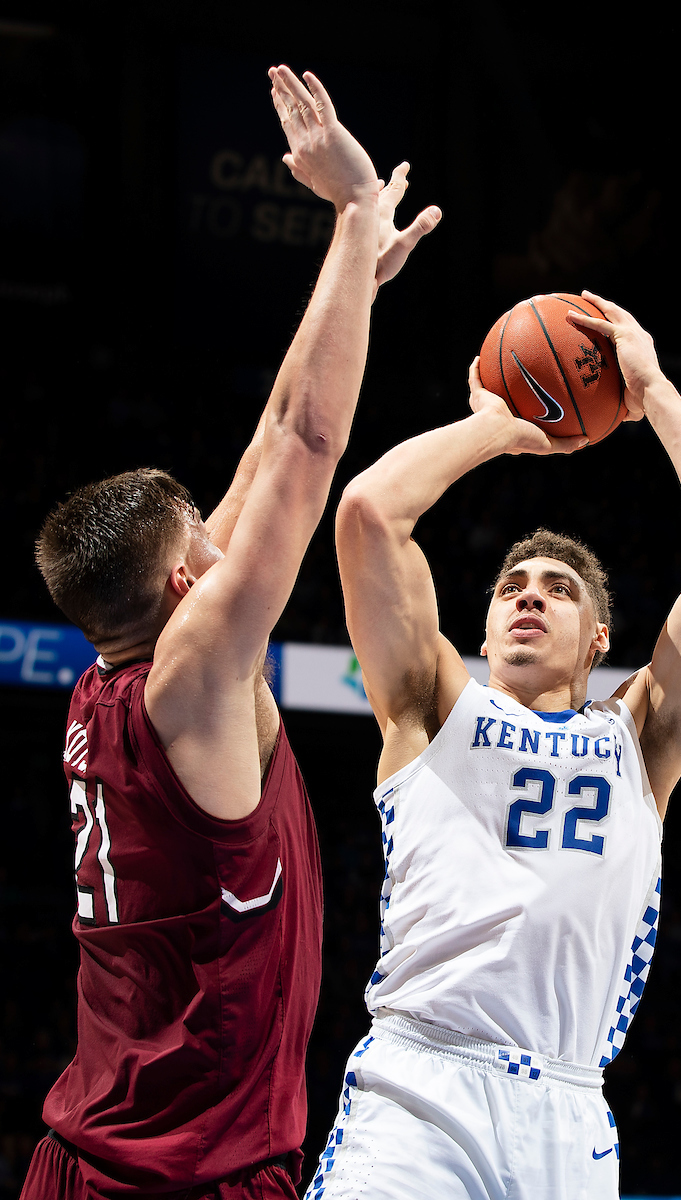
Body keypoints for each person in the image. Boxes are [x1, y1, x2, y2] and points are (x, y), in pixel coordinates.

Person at [21, 66, 440, 1200]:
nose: (226, 523)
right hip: (183, 1177)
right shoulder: (196, 678)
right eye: (205, 528)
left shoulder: (109, 686)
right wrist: (353, 213)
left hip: (82, 1154)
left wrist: (350, 271)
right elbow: (305, 449)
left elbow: (267, 439)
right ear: (178, 579)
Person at [307, 293, 681, 1200]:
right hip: (420, 1088)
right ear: (482, 630)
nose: (529, 595)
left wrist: (652, 388)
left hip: (565, 1112)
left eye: (558, 589)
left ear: (599, 639)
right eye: (511, 586)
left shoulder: (642, 738)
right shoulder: (431, 709)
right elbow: (369, 514)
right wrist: (495, 429)